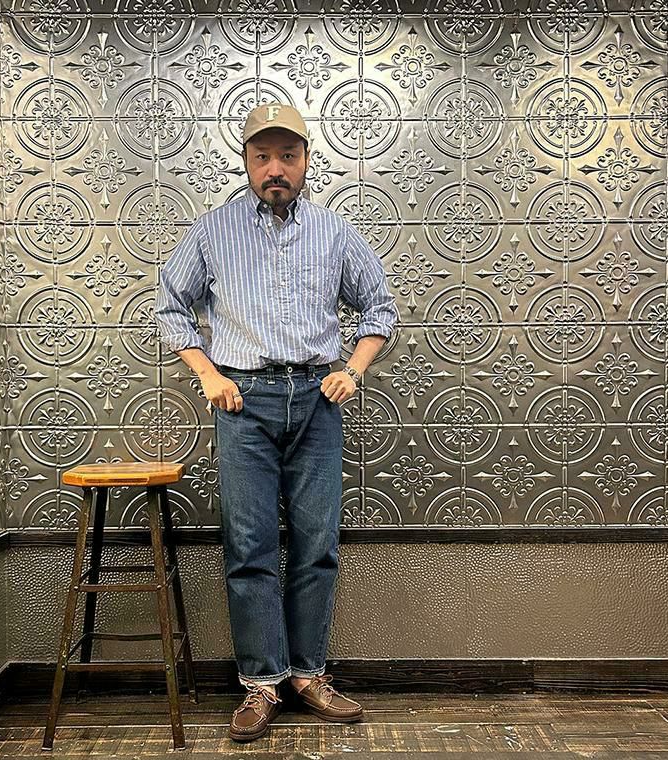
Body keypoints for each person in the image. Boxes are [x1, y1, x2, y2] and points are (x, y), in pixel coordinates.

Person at [155, 102, 399, 742]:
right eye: (262, 156)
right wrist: (209, 374)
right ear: (245, 161)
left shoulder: (335, 232)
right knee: (250, 545)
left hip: (318, 401)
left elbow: (379, 308)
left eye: (287, 156)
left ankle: (309, 675)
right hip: (244, 403)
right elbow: (172, 306)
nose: (275, 168)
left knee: (317, 544)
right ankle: (261, 683)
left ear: (306, 160)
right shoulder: (212, 230)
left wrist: (354, 370)